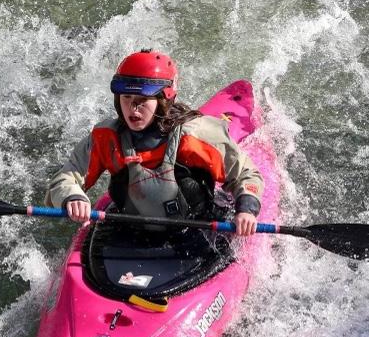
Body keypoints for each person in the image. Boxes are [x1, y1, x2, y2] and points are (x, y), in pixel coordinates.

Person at [45, 49, 263, 236]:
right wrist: (72, 197)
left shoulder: (194, 136)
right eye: (126, 98)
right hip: (129, 231)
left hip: (195, 231)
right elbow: (65, 178)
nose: (133, 109)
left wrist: (246, 208)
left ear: (163, 100)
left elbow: (246, 174)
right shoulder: (107, 137)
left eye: (142, 100)